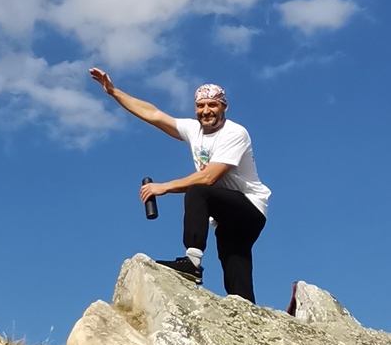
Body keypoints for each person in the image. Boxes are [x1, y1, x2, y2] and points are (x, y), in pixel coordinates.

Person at [87, 69, 270, 303]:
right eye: (201, 106)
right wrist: (113, 92)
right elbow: (152, 114)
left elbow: (208, 178)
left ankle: (192, 261)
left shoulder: (235, 133)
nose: (206, 111)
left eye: (212, 105)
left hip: (249, 208)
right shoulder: (194, 130)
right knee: (235, 269)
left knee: (198, 190)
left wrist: (163, 187)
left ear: (224, 107)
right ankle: (249, 316)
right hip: (225, 218)